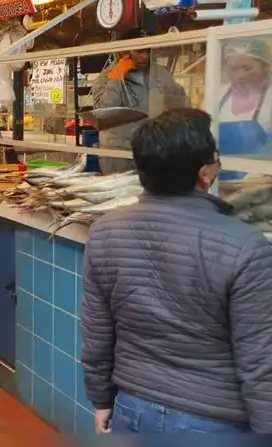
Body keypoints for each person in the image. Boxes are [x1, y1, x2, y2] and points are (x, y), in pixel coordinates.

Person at [82, 108, 272, 435]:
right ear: (205, 174)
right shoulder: (246, 247)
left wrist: (101, 398)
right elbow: (261, 361)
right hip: (216, 423)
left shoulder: (106, 231)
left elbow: (96, 332)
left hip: (132, 410)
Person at [91, 28, 189, 174]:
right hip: (118, 155)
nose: (145, 57)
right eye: (139, 51)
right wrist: (117, 78)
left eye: (149, 51)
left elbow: (181, 105)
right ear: (124, 51)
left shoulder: (160, 75)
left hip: (153, 151)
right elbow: (103, 114)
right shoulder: (106, 78)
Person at [217, 40, 272, 177]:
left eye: (247, 68)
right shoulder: (217, 95)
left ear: (265, 67)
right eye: (233, 69)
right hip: (218, 178)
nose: (240, 75)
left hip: (262, 183)